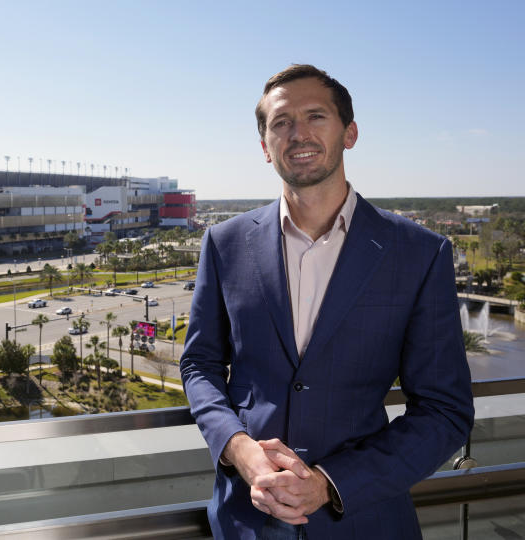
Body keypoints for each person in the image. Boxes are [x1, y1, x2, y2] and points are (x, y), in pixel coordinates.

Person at [179, 64, 474, 539]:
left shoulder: (419, 253)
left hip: (364, 521)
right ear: (264, 146)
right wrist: (238, 448)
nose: (298, 134)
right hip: (247, 521)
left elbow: (444, 410)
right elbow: (199, 365)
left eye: (316, 116)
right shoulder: (224, 243)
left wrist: (328, 484)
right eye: (281, 122)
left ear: (349, 133)